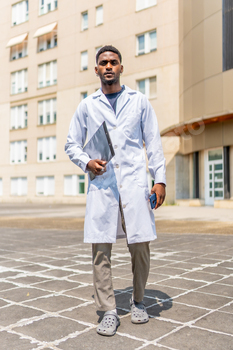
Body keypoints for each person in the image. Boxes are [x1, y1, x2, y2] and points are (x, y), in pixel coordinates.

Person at [65, 45, 166, 336]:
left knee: (140, 247)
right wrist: (87, 161)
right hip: (103, 186)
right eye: (103, 63)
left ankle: (138, 301)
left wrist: (159, 179)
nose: (108, 66)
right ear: (96, 70)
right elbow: (72, 144)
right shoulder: (87, 106)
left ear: (122, 67)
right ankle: (109, 310)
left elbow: (153, 143)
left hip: (134, 185)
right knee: (100, 250)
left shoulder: (140, 102)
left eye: (113, 62)